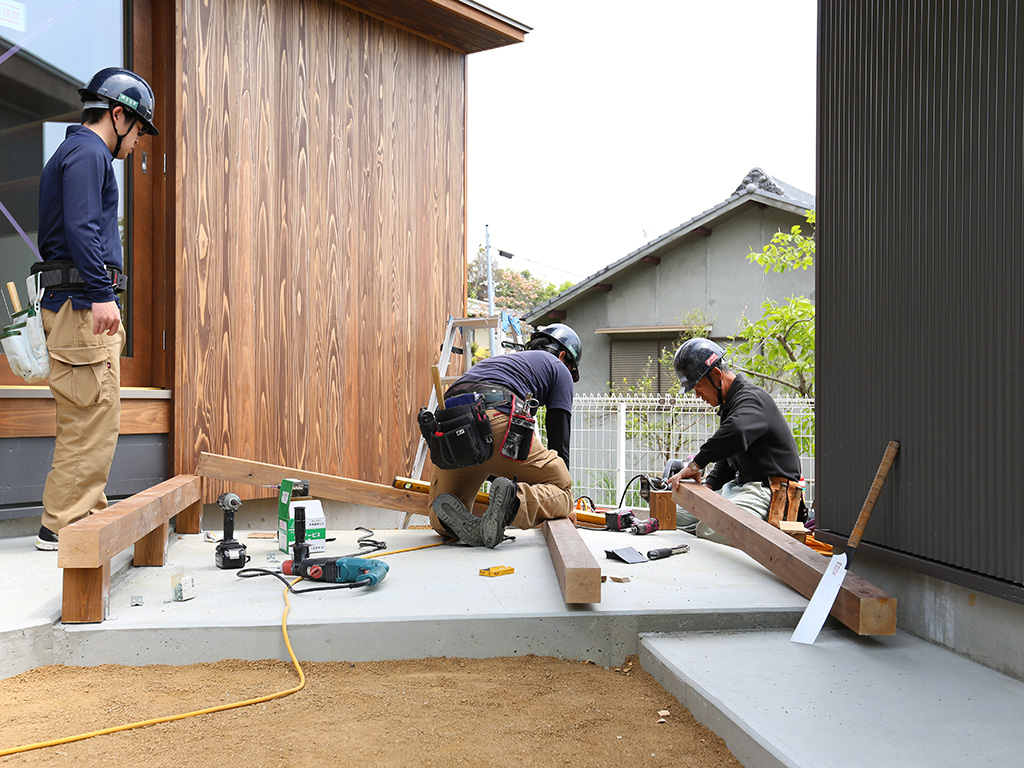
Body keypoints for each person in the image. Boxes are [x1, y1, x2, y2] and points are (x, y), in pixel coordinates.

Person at [33, 68, 158, 551]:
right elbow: (84, 230)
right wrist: (103, 292)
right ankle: (65, 526)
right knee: (90, 419)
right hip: (83, 304)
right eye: (140, 131)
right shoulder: (88, 153)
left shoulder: (73, 152)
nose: (138, 144)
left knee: (89, 417)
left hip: (76, 303)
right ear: (118, 114)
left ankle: (80, 516)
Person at [426, 323, 582, 548]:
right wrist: (560, 499)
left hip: (449, 427)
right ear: (563, 354)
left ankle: (444, 524)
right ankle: (514, 503)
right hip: (495, 415)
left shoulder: (504, 363)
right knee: (562, 490)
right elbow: (559, 437)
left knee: (446, 504)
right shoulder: (558, 367)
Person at [667, 338, 801, 544]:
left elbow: (736, 433)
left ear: (716, 375)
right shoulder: (731, 406)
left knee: (710, 529)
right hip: (738, 489)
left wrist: (696, 464)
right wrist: (709, 486)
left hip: (767, 492)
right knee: (673, 516)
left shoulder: (752, 398)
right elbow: (729, 457)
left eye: (699, 386)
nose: (698, 395)